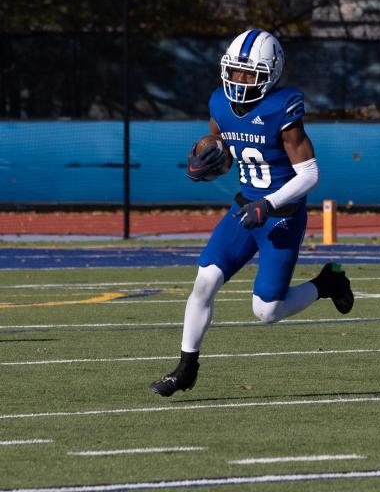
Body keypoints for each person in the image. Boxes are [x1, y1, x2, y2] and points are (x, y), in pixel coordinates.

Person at [149, 28, 354, 397]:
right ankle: (185, 368)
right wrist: (207, 161)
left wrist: (269, 204)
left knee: (266, 311)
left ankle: (327, 283)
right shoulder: (219, 104)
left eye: (249, 73)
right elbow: (225, 150)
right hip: (245, 208)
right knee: (204, 282)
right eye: (235, 71)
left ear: (271, 73)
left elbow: (310, 174)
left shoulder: (282, 109)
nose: (239, 81)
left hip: (282, 215)